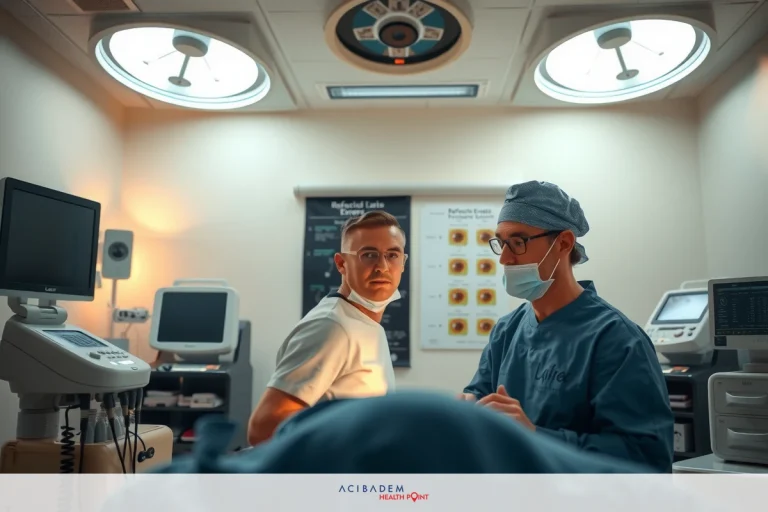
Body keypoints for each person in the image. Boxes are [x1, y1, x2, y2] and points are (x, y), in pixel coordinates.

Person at [461, 180, 674, 472]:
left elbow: (647, 457)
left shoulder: (617, 339)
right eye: (500, 241)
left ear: (563, 243)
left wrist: (536, 437)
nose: (504, 258)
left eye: (518, 242)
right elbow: (481, 398)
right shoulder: (506, 332)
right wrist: (468, 410)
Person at [246, 211, 407, 445]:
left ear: (403, 263)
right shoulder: (332, 327)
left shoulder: (365, 324)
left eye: (392, 255)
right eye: (368, 255)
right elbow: (264, 428)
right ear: (342, 264)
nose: (382, 266)